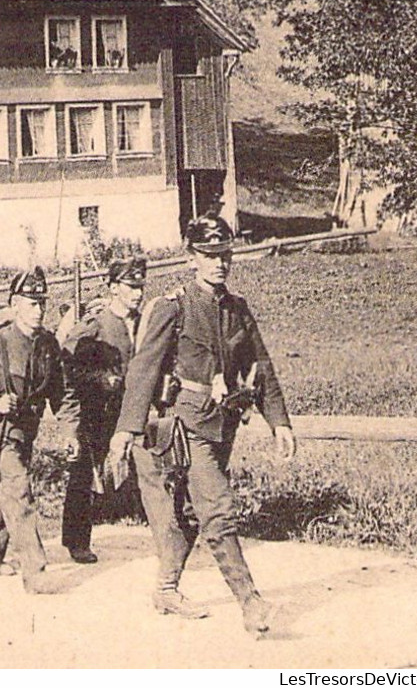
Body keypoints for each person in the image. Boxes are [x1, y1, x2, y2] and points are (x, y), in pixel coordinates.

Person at [110, 215, 297, 634]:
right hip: (187, 425)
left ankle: (165, 588)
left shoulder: (237, 309)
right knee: (218, 510)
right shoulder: (173, 307)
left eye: (224, 254)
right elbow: (143, 371)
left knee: (193, 512)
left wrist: (279, 422)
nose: (219, 263)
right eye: (210, 255)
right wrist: (126, 430)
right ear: (191, 258)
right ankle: (251, 604)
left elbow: (259, 365)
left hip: (223, 423)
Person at [0, 267, 75, 592]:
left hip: (26, 430)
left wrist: (69, 431)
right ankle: (35, 571)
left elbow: (60, 394)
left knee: (4, 492)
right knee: (18, 489)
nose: (38, 309)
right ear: (15, 304)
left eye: (42, 302)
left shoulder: (48, 343)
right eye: (31, 303)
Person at [60, 256, 148, 563]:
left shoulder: (145, 321)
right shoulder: (95, 325)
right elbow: (68, 367)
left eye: (140, 286)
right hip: (97, 409)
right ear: (113, 288)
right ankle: (76, 540)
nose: (138, 293)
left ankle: (150, 519)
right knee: (83, 473)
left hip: (133, 407)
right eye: (131, 286)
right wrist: (101, 378)